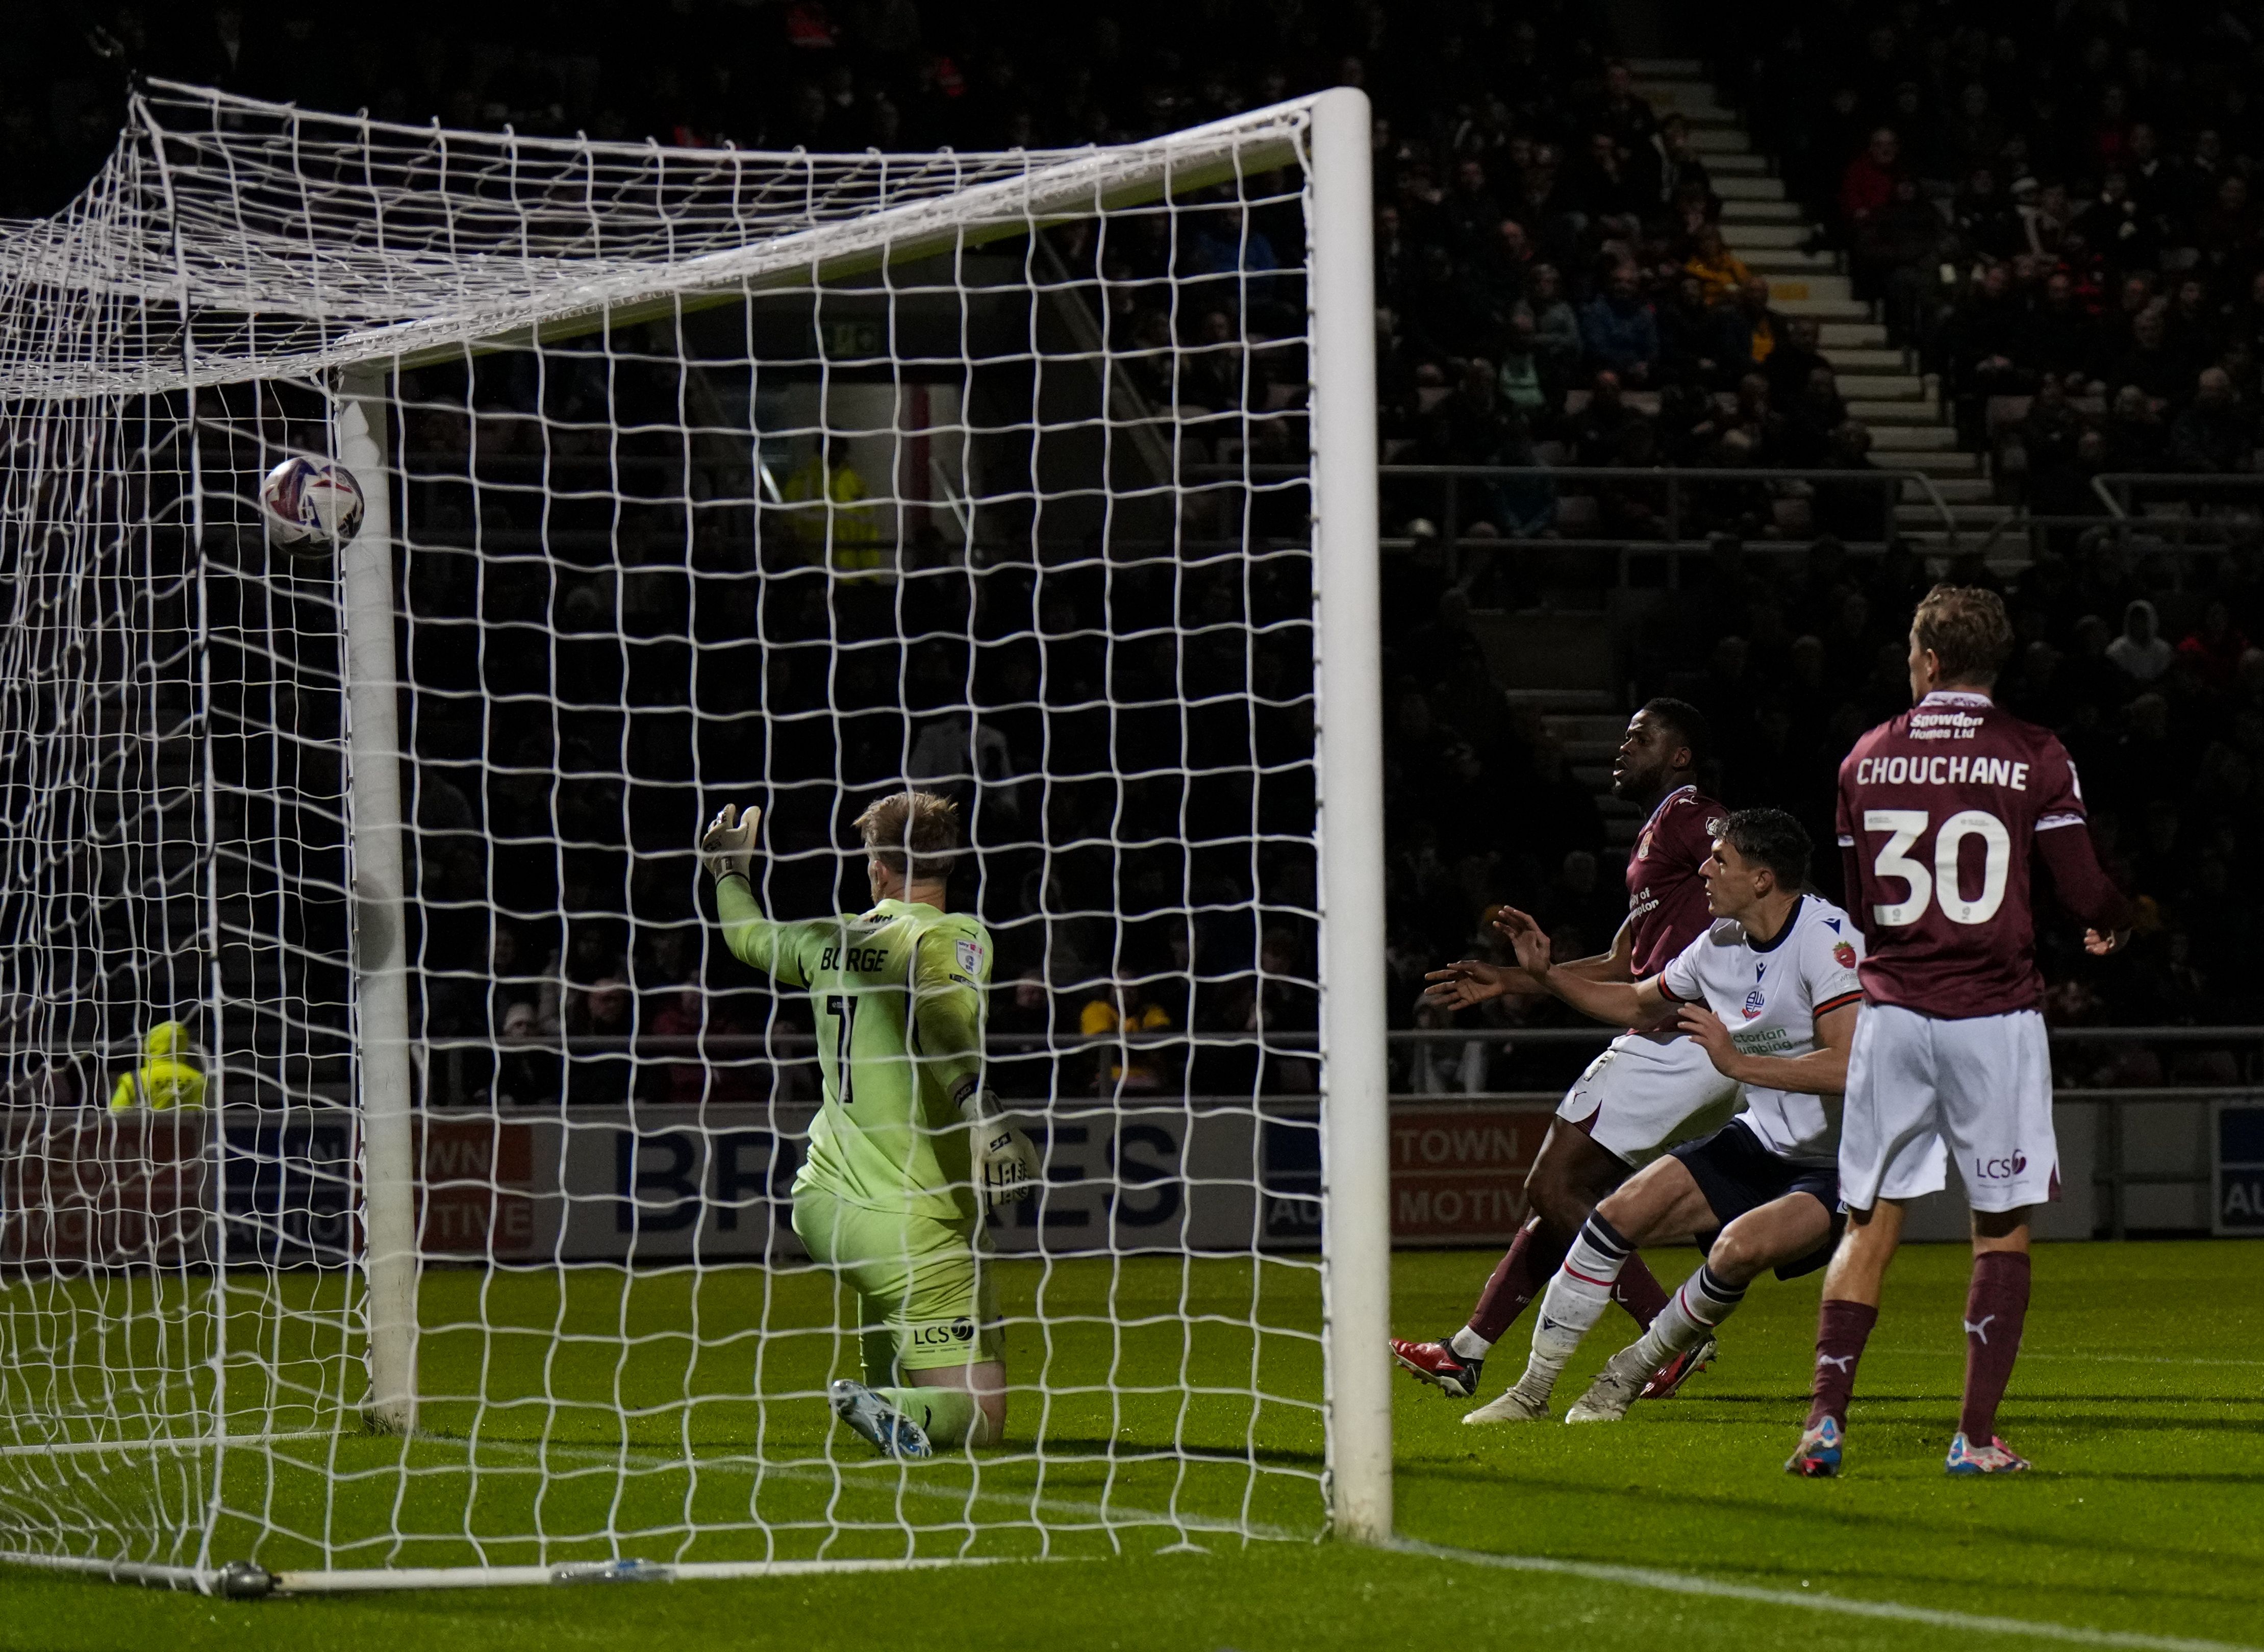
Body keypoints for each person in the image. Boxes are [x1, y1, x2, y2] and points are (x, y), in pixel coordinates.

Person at [1791, 586, 2135, 1478]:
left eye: (1911, 650)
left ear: (1931, 660)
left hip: (1894, 1013)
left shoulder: (1862, 758)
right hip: (1993, 1015)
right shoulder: (2035, 754)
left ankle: (1823, 1424)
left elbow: (1862, 904)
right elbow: (2081, 885)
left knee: (1867, 1223)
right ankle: (1974, 1437)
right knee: (1999, 1227)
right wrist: (2112, 919)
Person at [1389, 700, 1734, 1410]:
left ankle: (1669, 1334)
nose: (1621, 745)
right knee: (1563, 1196)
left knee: (1554, 1189)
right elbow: (1621, 958)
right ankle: (1467, 1351)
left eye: (1640, 736)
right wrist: (1514, 979)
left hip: (1674, 1035)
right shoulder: (1653, 838)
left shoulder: (1691, 814)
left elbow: (1757, 874)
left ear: (1679, 755)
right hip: (1681, 1035)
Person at [1481, 809, 1864, 1422]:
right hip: (1760, 1137)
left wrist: (1737, 1064)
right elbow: (1636, 999)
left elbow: (1850, 1067)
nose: (1704, 870)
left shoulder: (1828, 941)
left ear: (1762, 879)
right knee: (1613, 1215)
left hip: (1835, 1161)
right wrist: (1545, 977)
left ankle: (1623, 1378)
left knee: (1735, 1251)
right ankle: (1530, 1393)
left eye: (1720, 861)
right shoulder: (1720, 941)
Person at [700, 790, 1038, 1459]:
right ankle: (889, 1404)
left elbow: (747, 938)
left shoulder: (831, 938)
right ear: (950, 860)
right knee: (977, 1420)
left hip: (823, 1205)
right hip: (913, 1224)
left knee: (895, 1291)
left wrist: (728, 874)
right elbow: (946, 1024)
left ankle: (883, 1392)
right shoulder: (951, 935)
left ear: (877, 867)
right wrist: (982, 1112)